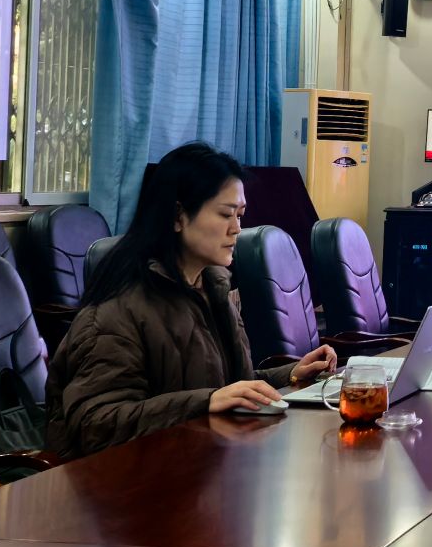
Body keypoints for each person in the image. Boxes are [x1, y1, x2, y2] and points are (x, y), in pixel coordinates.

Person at [44, 142, 337, 457]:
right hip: (132, 478)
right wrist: (205, 402)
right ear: (178, 216)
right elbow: (94, 425)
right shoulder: (118, 308)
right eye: (225, 214)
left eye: (240, 215)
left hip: (199, 462)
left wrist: (291, 374)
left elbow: (228, 387)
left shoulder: (212, 289)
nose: (237, 229)